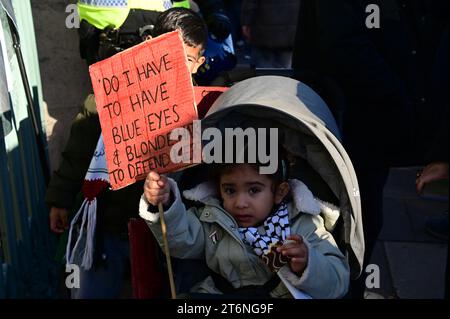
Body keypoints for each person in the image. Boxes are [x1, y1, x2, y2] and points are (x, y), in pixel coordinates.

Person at [46, 7, 207, 299]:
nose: (175, 68)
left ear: (199, 63)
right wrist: (60, 198)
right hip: (110, 223)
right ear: (149, 47)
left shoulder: (203, 110)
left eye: (185, 60)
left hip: (168, 234)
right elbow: (79, 149)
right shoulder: (112, 95)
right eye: (166, 56)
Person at [292, 0, 449, 298]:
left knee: (359, 217)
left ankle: (347, 286)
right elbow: (344, 46)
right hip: (345, 118)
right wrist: (401, 98)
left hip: (367, 121)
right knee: (338, 220)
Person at [140, 157, 350, 298]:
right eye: (230, 190)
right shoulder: (212, 219)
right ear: (218, 189)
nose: (240, 203)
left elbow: (339, 279)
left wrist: (307, 264)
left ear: (279, 192)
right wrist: (165, 204)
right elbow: (179, 240)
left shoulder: (302, 225)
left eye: (253, 190)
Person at [241, 0, 301, 68]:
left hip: (263, 31)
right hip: (290, 31)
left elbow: (250, 3)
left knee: (263, 69)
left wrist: (246, 22)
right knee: (286, 69)